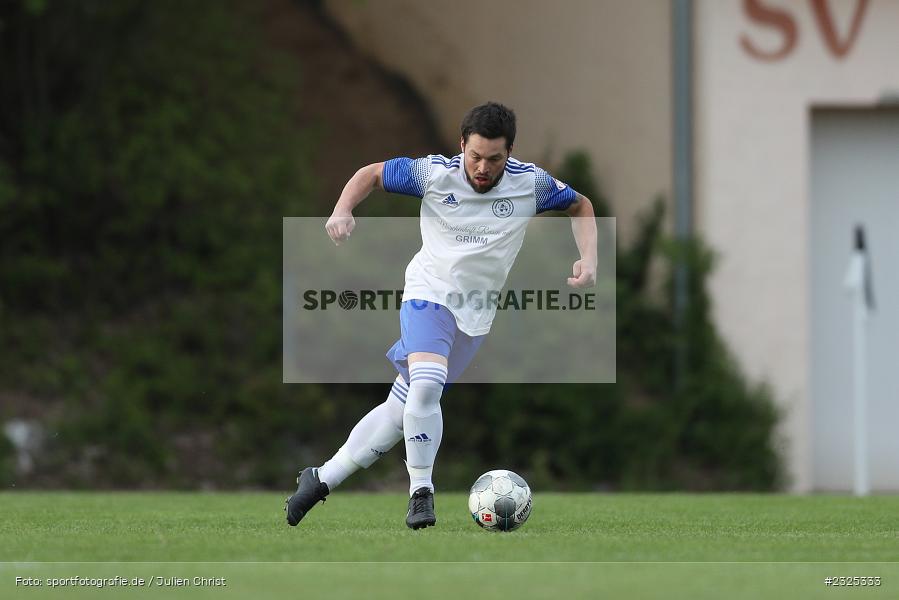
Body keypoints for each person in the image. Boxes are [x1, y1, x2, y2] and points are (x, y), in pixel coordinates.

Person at [285, 101, 596, 529]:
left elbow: (581, 205)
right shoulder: (433, 173)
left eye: (494, 158)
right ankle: (420, 493)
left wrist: (589, 259)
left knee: (403, 410)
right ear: (462, 145)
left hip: (475, 317)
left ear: (510, 153)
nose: (482, 167)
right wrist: (343, 209)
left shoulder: (530, 184)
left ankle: (320, 478)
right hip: (427, 295)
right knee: (428, 387)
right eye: (475, 155)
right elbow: (370, 174)